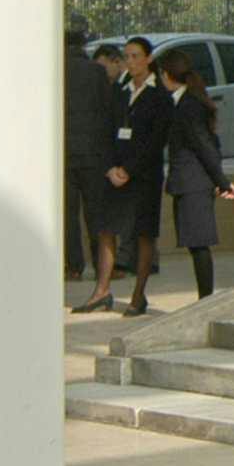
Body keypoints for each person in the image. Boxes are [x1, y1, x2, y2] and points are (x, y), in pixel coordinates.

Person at [84, 37, 172, 317]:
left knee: (143, 234)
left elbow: (156, 140)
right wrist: (111, 167)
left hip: (143, 176)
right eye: (127, 57)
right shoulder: (120, 92)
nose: (130, 62)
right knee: (106, 229)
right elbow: (105, 131)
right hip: (115, 173)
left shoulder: (159, 96)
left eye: (136, 56)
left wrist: (129, 170)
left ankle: (138, 295)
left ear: (148, 59)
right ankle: (101, 291)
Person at [156, 48, 234, 302]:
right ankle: (205, 297)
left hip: (193, 181)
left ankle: (206, 299)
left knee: (199, 243)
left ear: (168, 74)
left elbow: (204, 146)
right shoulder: (185, 101)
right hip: (190, 181)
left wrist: (223, 183)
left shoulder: (189, 105)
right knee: (196, 244)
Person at [61, 19, 116, 285]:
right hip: (94, 155)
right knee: (95, 214)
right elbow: (108, 112)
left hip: (63, 155)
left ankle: (73, 266)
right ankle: (101, 264)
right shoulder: (96, 72)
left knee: (68, 214)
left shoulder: (55, 71)